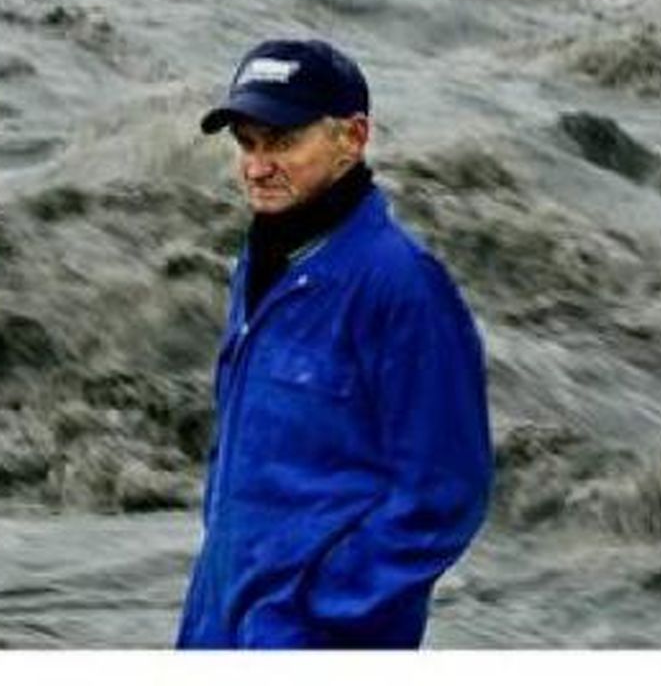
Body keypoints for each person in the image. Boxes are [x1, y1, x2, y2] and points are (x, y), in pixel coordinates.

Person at [176, 38, 494, 649]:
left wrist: (320, 612)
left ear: (353, 138)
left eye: (283, 142)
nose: (256, 166)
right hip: (218, 622)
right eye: (247, 143)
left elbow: (447, 493)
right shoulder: (262, 260)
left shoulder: (401, 286)